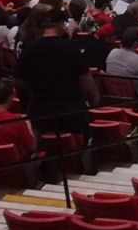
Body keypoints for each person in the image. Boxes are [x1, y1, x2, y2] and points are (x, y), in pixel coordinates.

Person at [15, 13, 96, 143]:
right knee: (80, 142)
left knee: (47, 143)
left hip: (40, 108)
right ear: (60, 25)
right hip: (70, 108)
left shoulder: (29, 49)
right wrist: (94, 97)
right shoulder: (71, 48)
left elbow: (19, 80)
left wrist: (31, 96)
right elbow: (85, 78)